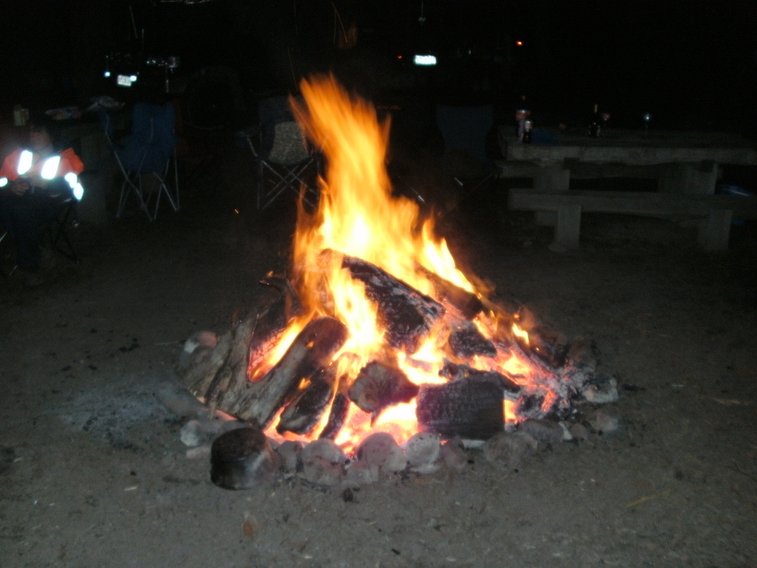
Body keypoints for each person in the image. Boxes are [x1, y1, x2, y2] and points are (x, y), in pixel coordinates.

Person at [0, 116, 85, 285]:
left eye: (39, 132)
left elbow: (73, 185)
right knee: (8, 206)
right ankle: (37, 248)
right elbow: (3, 178)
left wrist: (49, 185)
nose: (33, 136)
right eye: (32, 132)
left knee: (20, 211)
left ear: (51, 135)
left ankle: (30, 267)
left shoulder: (64, 157)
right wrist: (12, 186)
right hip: (21, 200)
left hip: (50, 201)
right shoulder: (22, 156)